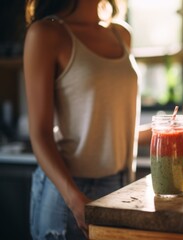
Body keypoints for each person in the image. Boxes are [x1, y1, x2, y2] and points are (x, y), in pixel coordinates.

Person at [23, 0, 151, 239]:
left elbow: (99, 125)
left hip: (122, 184)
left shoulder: (121, 34)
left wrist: (151, 133)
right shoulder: (46, 33)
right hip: (70, 194)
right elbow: (40, 134)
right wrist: (74, 199)